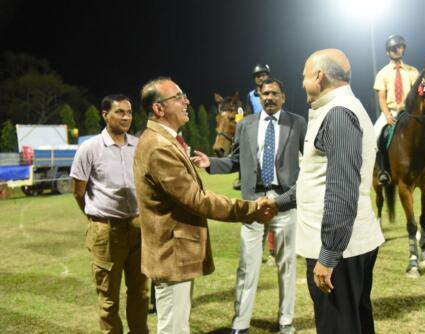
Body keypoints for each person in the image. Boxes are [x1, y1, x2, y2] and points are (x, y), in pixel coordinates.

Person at [133, 77, 274, 334]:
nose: (186, 101)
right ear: (159, 108)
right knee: (174, 328)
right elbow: (197, 199)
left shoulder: (163, 140)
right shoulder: (158, 147)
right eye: (178, 98)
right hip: (171, 253)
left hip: (175, 252)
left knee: (178, 325)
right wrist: (251, 209)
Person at [264, 49, 385, 333]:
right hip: (348, 244)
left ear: (319, 76)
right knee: (354, 323)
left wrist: (328, 256)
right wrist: (277, 203)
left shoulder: (338, 113)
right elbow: (314, 179)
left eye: (304, 76)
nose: (302, 83)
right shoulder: (338, 108)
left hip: (338, 249)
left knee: (338, 327)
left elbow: (341, 189)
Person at [193, 78, 306, 334]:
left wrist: (290, 196)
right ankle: (240, 323)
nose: (269, 97)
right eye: (265, 93)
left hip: (283, 202)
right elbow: (235, 161)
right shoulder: (245, 125)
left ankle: (286, 321)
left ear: (283, 97)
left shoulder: (297, 123)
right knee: (247, 265)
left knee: (286, 265)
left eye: (274, 93)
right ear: (260, 96)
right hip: (252, 204)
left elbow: (308, 163)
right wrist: (209, 162)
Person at [70, 94, 149, 334]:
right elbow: (78, 192)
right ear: (105, 115)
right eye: (120, 112)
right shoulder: (90, 149)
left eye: (129, 112)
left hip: (138, 228)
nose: (126, 117)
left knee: (140, 293)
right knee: (108, 298)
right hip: (106, 232)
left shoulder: (139, 145)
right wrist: (97, 219)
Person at [373, 34, 425, 185]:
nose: (397, 50)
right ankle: (383, 171)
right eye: (393, 48)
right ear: (388, 52)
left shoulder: (413, 71)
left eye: (399, 47)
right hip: (392, 111)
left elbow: (421, 94)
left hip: (411, 113)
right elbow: (381, 98)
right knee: (377, 135)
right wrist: (387, 115)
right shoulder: (382, 73)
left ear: (403, 49)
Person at [244, 63, 275, 265]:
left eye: (264, 74)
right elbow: (248, 114)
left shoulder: (273, 91)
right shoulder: (250, 96)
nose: (261, 78)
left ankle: (273, 251)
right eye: (258, 76)